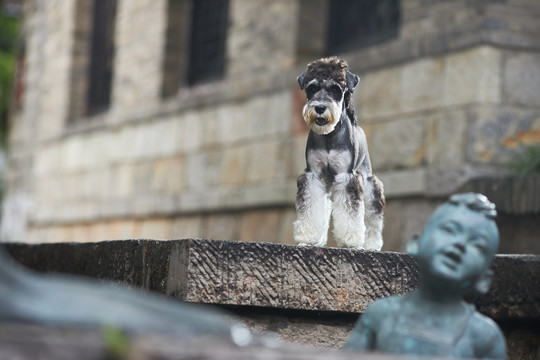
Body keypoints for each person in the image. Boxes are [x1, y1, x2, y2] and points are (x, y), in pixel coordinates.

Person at [343, 193, 506, 359]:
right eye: (449, 230)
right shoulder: (381, 315)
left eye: (477, 245)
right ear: (415, 245)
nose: (460, 244)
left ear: (485, 280)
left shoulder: (485, 337)